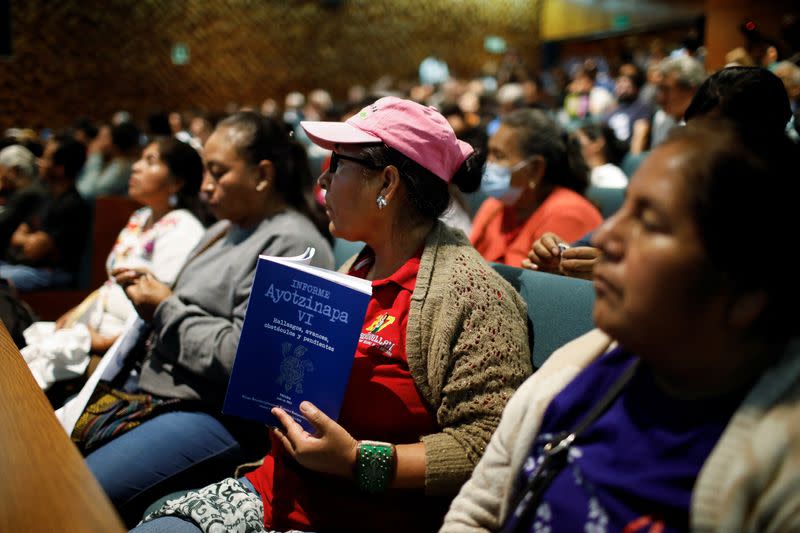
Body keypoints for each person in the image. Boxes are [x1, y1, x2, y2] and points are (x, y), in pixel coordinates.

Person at [135, 96, 532, 533]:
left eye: (338, 164)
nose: (322, 180)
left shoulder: (472, 296)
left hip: (360, 516)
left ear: (387, 183)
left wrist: (359, 461)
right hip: (277, 491)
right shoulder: (357, 267)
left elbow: (489, 443)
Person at [442, 118, 800, 532]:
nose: (606, 235)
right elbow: (477, 513)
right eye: (625, 208)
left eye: (649, 222)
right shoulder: (580, 363)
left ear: (746, 290)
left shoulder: (782, 472)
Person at [82, 111, 335, 526]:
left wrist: (164, 308)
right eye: (204, 171)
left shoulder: (293, 243)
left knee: (79, 487)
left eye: (217, 173)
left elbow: (253, 361)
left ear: (262, 174)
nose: (204, 186)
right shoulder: (225, 227)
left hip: (215, 413)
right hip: (160, 388)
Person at [527, 66, 794, 280]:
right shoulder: (682, 185)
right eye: (693, 137)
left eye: (714, 140)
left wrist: (632, 273)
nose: (697, 152)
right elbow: (598, 241)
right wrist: (563, 255)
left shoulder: (771, 219)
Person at [20, 137, 207, 390]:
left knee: (32, 372)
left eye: (150, 161)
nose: (136, 167)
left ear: (176, 182)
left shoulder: (183, 229)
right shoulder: (141, 217)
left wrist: (105, 343)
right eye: (139, 158)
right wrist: (77, 313)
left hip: (125, 350)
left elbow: (159, 308)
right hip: (94, 328)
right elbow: (111, 283)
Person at [470, 108, 602, 267]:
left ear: (535, 169)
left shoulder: (569, 214)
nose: (488, 164)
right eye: (489, 153)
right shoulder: (494, 205)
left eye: (499, 156)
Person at [0, 135, 90, 291]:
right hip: (23, 267)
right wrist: (28, 238)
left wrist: (26, 238)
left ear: (60, 169)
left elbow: (34, 251)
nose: (39, 162)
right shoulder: (44, 195)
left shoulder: (72, 205)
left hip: (50, 273)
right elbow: (17, 237)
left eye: (46, 158)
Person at [0, 144, 45, 253]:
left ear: (14, 170)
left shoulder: (28, 194)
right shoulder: (28, 189)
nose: (0, 176)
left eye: (1, 170)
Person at [574, 123, 628, 189]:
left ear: (598, 143)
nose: (572, 147)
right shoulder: (588, 175)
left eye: (576, 142)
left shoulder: (611, 175)